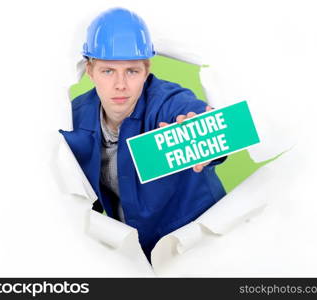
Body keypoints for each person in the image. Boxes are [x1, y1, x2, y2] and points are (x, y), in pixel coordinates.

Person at [60, 7, 226, 262]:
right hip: (132, 248)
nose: (120, 85)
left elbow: (202, 119)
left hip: (197, 242)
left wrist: (201, 131)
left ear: (146, 70)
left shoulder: (168, 102)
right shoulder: (76, 116)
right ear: (90, 71)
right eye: (108, 71)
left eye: (132, 71)